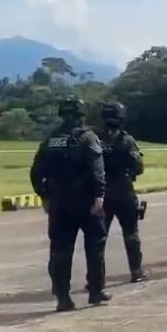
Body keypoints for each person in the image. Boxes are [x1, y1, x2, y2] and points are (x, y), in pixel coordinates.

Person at [30, 96, 110, 312]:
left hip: (59, 202)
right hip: (85, 200)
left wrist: (44, 196)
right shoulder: (88, 138)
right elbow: (97, 170)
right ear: (81, 114)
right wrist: (99, 195)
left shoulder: (50, 140)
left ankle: (63, 297)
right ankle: (95, 291)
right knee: (95, 246)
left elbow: (36, 172)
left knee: (60, 250)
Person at [98, 102, 148, 284]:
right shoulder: (126, 140)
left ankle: (96, 278)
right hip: (123, 189)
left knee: (99, 237)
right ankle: (136, 271)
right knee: (131, 233)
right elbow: (138, 167)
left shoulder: (94, 139)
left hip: (100, 191)